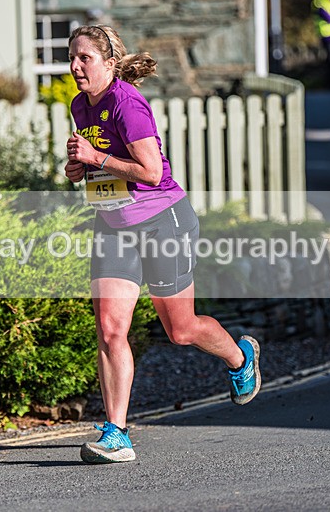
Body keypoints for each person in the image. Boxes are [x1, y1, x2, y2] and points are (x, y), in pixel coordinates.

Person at [64, 25, 261, 464]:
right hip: (112, 225)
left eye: (84, 58)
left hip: (161, 223)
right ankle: (117, 432)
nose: (75, 66)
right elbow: (100, 165)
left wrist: (97, 158)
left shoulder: (128, 103)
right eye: (72, 58)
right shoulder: (81, 105)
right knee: (111, 328)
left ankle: (240, 355)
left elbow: (152, 173)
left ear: (110, 63)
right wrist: (79, 169)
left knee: (181, 330)